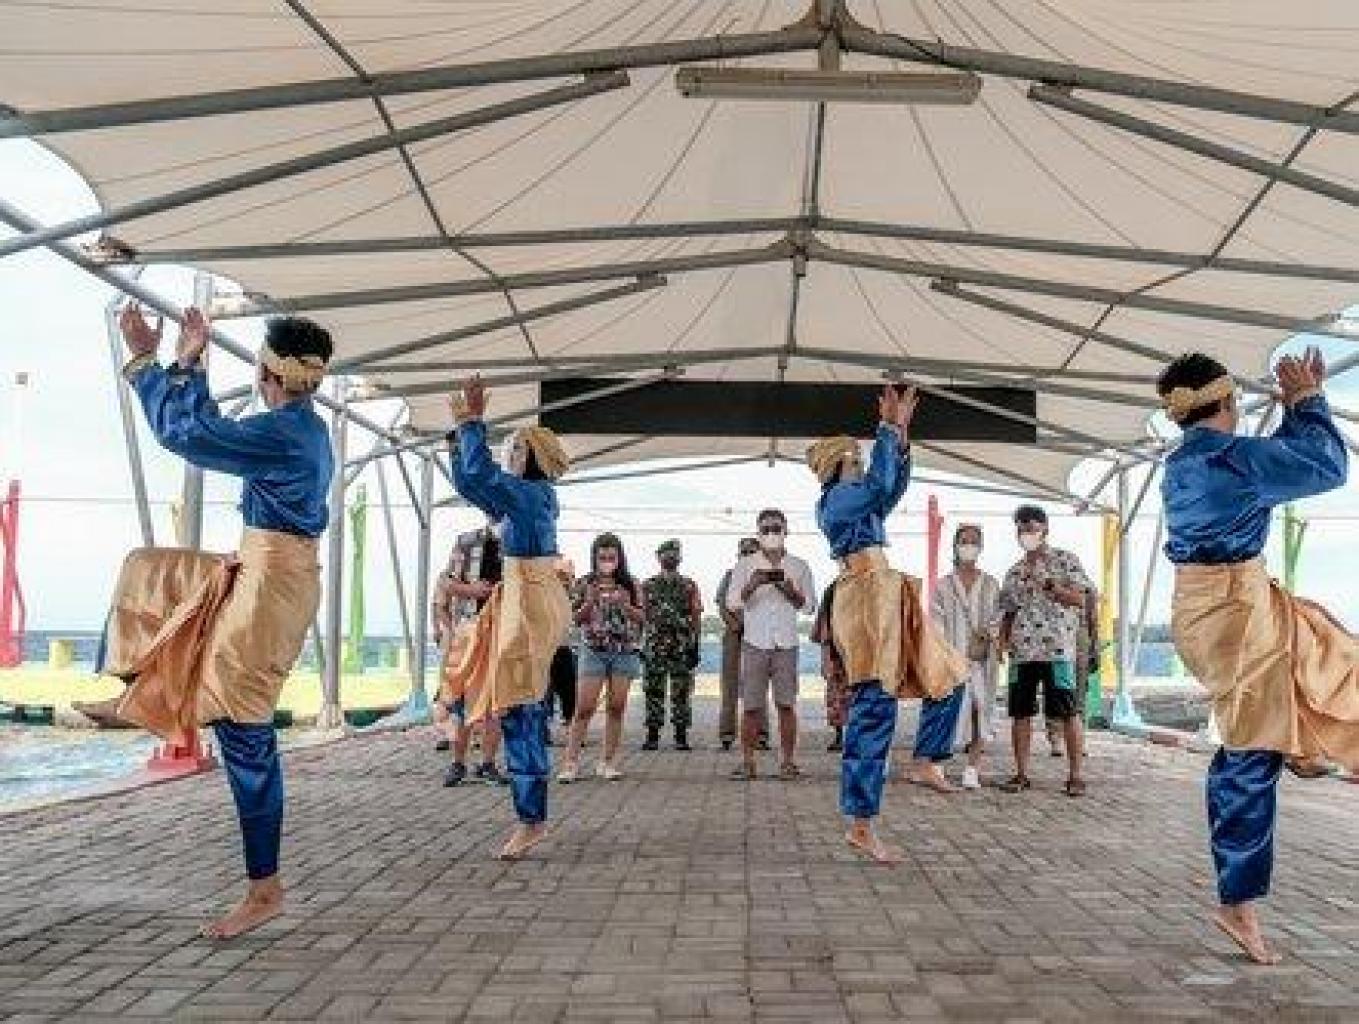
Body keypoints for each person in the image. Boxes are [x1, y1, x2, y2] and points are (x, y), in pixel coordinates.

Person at [103, 304, 332, 939]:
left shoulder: (285, 433)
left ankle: (265, 889)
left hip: (269, 587)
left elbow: (188, 435)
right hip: (268, 571)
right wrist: (187, 361)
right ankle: (142, 680)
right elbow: (206, 428)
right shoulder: (303, 428)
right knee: (152, 570)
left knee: (244, 729)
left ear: (268, 373)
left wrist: (151, 361)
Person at [1157, 347, 1357, 965]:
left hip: (1211, 610)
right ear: (1227, 400)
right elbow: (1327, 466)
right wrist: (1307, 403)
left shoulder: (1183, 462)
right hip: (1239, 615)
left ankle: (1309, 747)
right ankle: (1237, 901)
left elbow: (1276, 468)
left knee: (1325, 655)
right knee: (1251, 747)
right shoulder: (1236, 458)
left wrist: (1293, 417)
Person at [809, 386, 966, 864]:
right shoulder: (837, 499)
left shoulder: (857, 497)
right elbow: (881, 488)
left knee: (948, 676)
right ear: (838, 465)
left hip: (885, 590)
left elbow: (891, 489)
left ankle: (925, 760)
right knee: (875, 706)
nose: (861, 463)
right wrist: (886, 429)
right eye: (854, 459)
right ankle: (861, 824)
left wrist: (900, 436)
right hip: (864, 599)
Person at [443, 377, 572, 861]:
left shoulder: (530, 494)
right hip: (525, 597)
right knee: (518, 705)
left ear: (534, 457)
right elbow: (472, 482)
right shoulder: (528, 496)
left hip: (529, 602)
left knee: (520, 707)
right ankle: (530, 815)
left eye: (517, 448)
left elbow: (483, 475)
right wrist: (458, 439)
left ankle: (531, 819)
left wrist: (474, 423)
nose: (511, 454)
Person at [997, 506, 1094, 798]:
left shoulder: (1065, 560)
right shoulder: (1014, 571)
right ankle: (1021, 773)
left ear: (1045, 529)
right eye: (1021, 529)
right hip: (1023, 652)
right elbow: (1008, 611)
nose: (1026, 534)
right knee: (1020, 713)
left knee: (1068, 712)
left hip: (1058, 650)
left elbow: (1082, 599)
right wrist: (1002, 641)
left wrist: (1054, 587)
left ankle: (1075, 776)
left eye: (1032, 528)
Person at [725, 509, 816, 781]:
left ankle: (788, 763)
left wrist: (792, 593)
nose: (771, 533)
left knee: (786, 705)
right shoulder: (745, 566)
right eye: (765, 529)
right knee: (751, 706)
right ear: (758, 533)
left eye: (776, 528)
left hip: (786, 644)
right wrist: (751, 585)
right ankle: (748, 763)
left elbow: (810, 607)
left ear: (786, 531)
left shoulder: (799, 566)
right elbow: (731, 602)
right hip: (755, 643)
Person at [558, 534, 646, 782]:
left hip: (624, 650)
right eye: (602, 557)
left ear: (619, 558)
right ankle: (570, 763)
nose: (607, 561)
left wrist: (626, 606)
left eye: (611, 557)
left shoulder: (632, 584)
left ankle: (607, 761)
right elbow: (573, 618)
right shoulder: (584, 583)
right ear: (595, 558)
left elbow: (643, 618)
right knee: (584, 707)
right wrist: (589, 603)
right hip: (593, 649)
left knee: (616, 707)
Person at [925, 524, 1002, 791]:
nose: (968, 546)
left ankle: (973, 768)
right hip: (951, 659)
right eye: (964, 540)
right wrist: (949, 653)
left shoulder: (991, 584)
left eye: (973, 541)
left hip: (982, 658)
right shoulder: (943, 585)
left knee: (981, 710)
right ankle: (938, 764)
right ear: (955, 545)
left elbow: (998, 618)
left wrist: (986, 636)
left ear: (981, 547)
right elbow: (935, 621)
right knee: (947, 709)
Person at [431, 518, 507, 787]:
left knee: (496, 702)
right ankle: (458, 762)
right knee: (462, 700)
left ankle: (487, 763)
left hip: (502, 634)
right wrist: (471, 590)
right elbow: (445, 582)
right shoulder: (466, 541)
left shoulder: (521, 544)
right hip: (469, 633)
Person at [641, 539, 703, 751]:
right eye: (666, 554)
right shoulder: (647, 585)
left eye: (674, 554)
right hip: (654, 645)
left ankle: (681, 736)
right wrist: (640, 644)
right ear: (658, 557)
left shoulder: (689, 585)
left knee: (681, 692)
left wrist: (696, 645)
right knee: (653, 690)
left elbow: (696, 615)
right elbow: (641, 615)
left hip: (681, 646)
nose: (670, 558)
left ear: (680, 558)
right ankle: (652, 735)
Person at [715, 537, 768, 751]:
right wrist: (734, 624)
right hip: (734, 636)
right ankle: (727, 734)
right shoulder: (730, 576)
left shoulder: (766, 577)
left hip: (759, 638)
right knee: (729, 687)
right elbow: (721, 604)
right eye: (744, 552)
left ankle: (761, 735)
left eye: (751, 552)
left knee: (758, 687)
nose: (747, 556)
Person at [1045, 586, 1100, 757]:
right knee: (1056, 688)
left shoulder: (1088, 588)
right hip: (1056, 637)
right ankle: (1055, 736)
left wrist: (1095, 648)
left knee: (1080, 690)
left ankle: (1079, 739)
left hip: (1080, 637)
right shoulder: (1051, 584)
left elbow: (1093, 620)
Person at [810, 580, 849, 752]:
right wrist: (826, 659)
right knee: (836, 697)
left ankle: (844, 736)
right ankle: (840, 736)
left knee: (845, 697)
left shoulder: (834, 589)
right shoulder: (832, 590)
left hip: (852, 652)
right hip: (836, 653)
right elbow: (824, 631)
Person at [544, 558, 579, 744]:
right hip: (545, 650)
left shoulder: (574, 597)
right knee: (545, 692)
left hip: (567, 649)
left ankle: (571, 730)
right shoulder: (543, 595)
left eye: (567, 577)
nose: (564, 581)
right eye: (560, 576)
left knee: (569, 691)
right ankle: (544, 729)